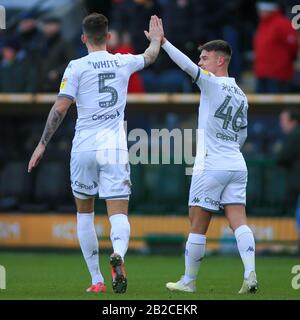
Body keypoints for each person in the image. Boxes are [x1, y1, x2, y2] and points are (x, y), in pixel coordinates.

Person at [28, 13, 163, 294]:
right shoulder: (122, 60)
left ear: (83, 38)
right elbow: (149, 57)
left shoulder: (75, 66)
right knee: (118, 212)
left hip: (84, 147)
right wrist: (156, 40)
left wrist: (42, 143)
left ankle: (96, 280)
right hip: (113, 147)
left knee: (84, 215)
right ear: (109, 37)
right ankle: (119, 255)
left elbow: (60, 108)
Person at [147, 16, 257, 294]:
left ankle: (189, 281)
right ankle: (250, 273)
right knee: (239, 221)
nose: (200, 62)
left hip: (211, 164)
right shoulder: (242, 95)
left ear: (221, 60)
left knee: (197, 223)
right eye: (200, 58)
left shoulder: (212, 84)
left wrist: (163, 42)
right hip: (236, 163)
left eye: (205, 58)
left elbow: (185, 66)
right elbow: (243, 134)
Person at [254, 1, 298, 93]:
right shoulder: (263, 24)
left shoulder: (282, 24)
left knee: (276, 105)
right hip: (262, 72)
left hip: (277, 74)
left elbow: (293, 45)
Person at [277, 108, 300, 254]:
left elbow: (282, 157)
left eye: (283, 120)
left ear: (293, 121)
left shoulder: (295, 135)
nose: (281, 124)